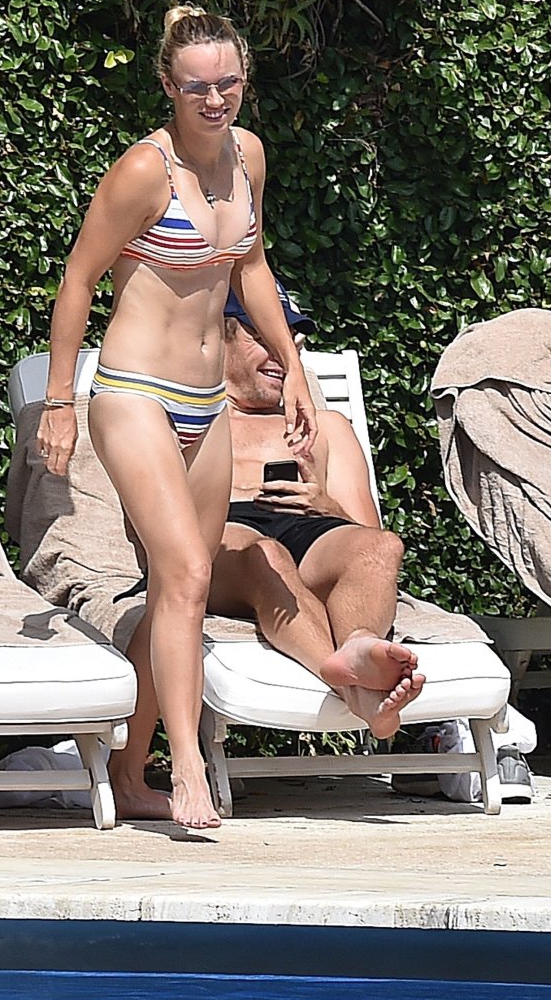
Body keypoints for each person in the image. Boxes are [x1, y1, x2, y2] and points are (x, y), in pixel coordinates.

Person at [36, 6, 317, 829]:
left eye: (228, 83)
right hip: (134, 393)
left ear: (244, 81)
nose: (214, 99)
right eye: (197, 87)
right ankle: (186, 764)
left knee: (175, 588)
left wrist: (293, 368)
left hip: (207, 400)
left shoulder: (248, 156)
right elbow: (78, 279)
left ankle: (129, 775)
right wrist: (59, 401)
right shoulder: (142, 170)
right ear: (168, 85)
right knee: (190, 572)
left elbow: (250, 266)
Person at [106, 281, 425, 823]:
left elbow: (366, 533)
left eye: (294, 343)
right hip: (226, 536)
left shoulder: (326, 427)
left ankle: (357, 643)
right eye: (266, 338)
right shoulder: (186, 419)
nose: (284, 354)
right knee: (265, 555)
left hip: (310, 531)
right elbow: (154, 531)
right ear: (221, 337)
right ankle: (346, 682)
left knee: (380, 546)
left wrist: (324, 502)